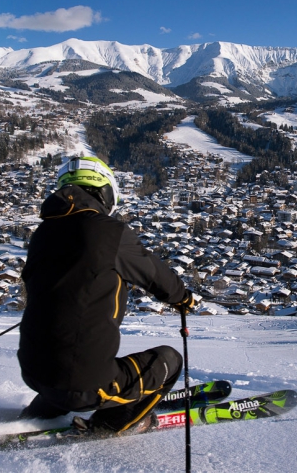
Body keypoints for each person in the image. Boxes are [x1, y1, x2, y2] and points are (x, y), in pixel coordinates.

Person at [17, 156, 196, 436]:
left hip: (34, 374)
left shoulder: (42, 234)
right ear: (104, 192)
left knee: (65, 366)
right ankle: (111, 424)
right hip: (86, 384)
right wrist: (182, 297)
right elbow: (155, 275)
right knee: (170, 360)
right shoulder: (108, 232)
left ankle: (40, 413)